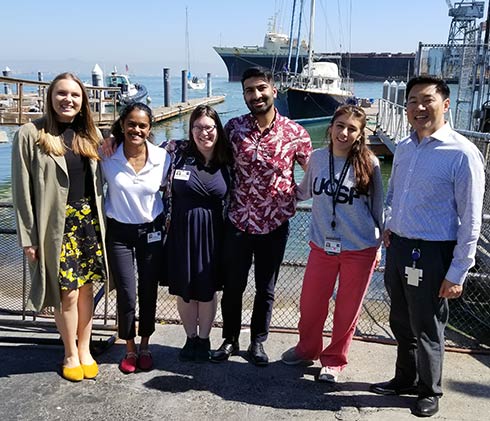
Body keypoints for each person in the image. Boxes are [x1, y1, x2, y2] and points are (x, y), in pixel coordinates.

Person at [369, 76, 485, 417]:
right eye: (412, 101)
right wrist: (389, 224)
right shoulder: (404, 147)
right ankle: (404, 378)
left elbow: (471, 218)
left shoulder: (462, 153)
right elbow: (394, 193)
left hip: (434, 252)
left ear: (445, 104)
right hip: (400, 246)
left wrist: (458, 271)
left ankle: (429, 389)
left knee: (429, 325)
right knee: (401, 320)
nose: (418, 108)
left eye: (427, 100)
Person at [210, 67, 313, 366]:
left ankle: (258, 341)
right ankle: (230, 338)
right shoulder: (233, 129)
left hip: (275, 224)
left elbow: (317, 170)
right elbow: (205, 151)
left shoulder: (295, 133)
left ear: (274, 90)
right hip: (238, 221)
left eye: (261, 88)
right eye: (249, 90)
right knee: (233, 287)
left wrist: (299, 194)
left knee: (265, 289)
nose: (256, 95)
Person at [11, 72, 109, 382]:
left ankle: (85, 349)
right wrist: (28, 237)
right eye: (62, 94)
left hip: (88, 224)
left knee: (86, 291)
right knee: (66, 294)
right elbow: (21, 190)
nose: (68, 99)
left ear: (83, 102)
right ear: (50, 98)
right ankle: (69, 351)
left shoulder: (90, 135)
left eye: (75, 95)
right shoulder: (31, 134)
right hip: (56, 226)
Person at [280, 105, 384, 382]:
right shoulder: (316, 158)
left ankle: (334, 361)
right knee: (311, 304)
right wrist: (275, 189)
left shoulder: (369, 162)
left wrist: (379, 248)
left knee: (347, 310)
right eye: (340, 126)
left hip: (360, 249)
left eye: (352, 129)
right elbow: (303, 192)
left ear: (360, 134)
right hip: (321, 246)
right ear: (331, 126)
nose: (344, 132)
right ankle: (307, 349)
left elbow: (378, 209)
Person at [101, 102, 170, 374]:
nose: (136, 130)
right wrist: (107, 137)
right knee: (127, 293)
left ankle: (145, 345)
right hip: (119, 232)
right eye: (131, 124)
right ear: (122, 125)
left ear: (150, 128)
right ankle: (128, 347)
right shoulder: (107, 155)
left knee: (148, 289)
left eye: (142, 125)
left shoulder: (162, 157)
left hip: (151, 231)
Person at [162, 105, 232, 362]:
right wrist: (112, 139)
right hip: (180, 233)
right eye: (198, 127)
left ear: (217, 130)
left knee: (208, 290)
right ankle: (190, 338)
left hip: (214, 236)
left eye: (209, 127)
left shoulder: (228, 159)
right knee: (184, 290)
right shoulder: (175, 151)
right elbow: (139, 152)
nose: (204, 133)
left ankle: (204, 339)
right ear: (191, 130)